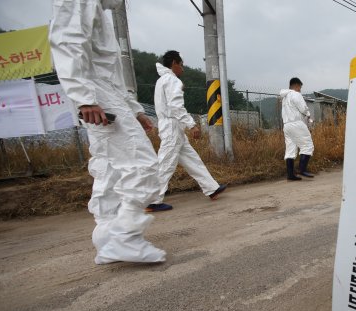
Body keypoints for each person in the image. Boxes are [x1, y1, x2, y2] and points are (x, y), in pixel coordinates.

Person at [49, 0, 166, 264]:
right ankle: (124, 237)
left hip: (102, 91)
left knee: (109, 167)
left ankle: (105, 237)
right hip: (95, 92)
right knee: (142, 162)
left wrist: (134, 108)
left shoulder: (98, 8)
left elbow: (111, 71)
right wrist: (84, 97)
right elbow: (66, 40)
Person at [146, 51, 227, 212]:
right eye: (181, 65)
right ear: (174, 63)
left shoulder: (162, 80)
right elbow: (176, 106)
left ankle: (211, 188)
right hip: (172, 126)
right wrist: (192, 125)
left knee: (192, 160)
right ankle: (152, 201)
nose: (183, 69)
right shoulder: (172, 80)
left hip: (171, 126)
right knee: (166, 163)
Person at [279, 77, 315, 181]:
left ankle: (290, 175)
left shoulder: (285, 97)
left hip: (287, 125)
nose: (300, 90)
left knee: (290, 149)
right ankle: (302, 170)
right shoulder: (296, 94)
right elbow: (303, 108)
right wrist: (308, 116)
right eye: (300, 87)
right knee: (307, 145)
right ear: (296, 85)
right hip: (297, 124)